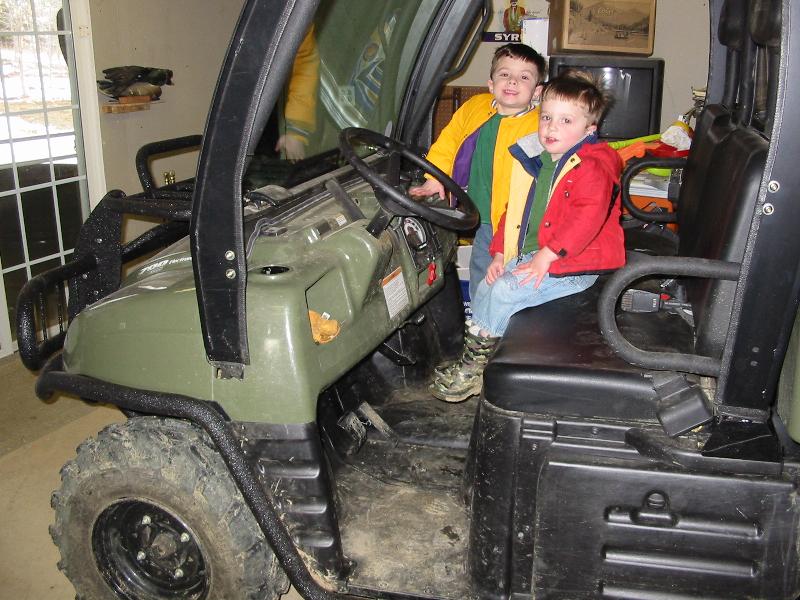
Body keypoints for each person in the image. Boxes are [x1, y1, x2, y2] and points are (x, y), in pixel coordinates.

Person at [432, 71, 625, 402]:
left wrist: (546, 257)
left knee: (505, 289)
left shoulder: (593, 167)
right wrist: (499, 254)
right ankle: (478, 356)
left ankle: (474, 367)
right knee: (487, 285)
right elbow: (513, 211)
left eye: (565, 121)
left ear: (589, 130)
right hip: (536, 254)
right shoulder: (537, 159)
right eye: (546, 117)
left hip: (574, 264)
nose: (551, 128)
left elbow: (585, 219)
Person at [410, 43, 546, 300]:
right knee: (482, 271)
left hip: (517, 222)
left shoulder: (539, 126)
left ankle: (505, 319)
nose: (513, 81)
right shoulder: (475, 106)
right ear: (491, 83)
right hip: (483, 217)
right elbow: (449, 140)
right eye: (505, 74)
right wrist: (434, 177)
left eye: (524, 77)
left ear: (537, 91)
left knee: (514, 278)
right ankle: (481, 318)